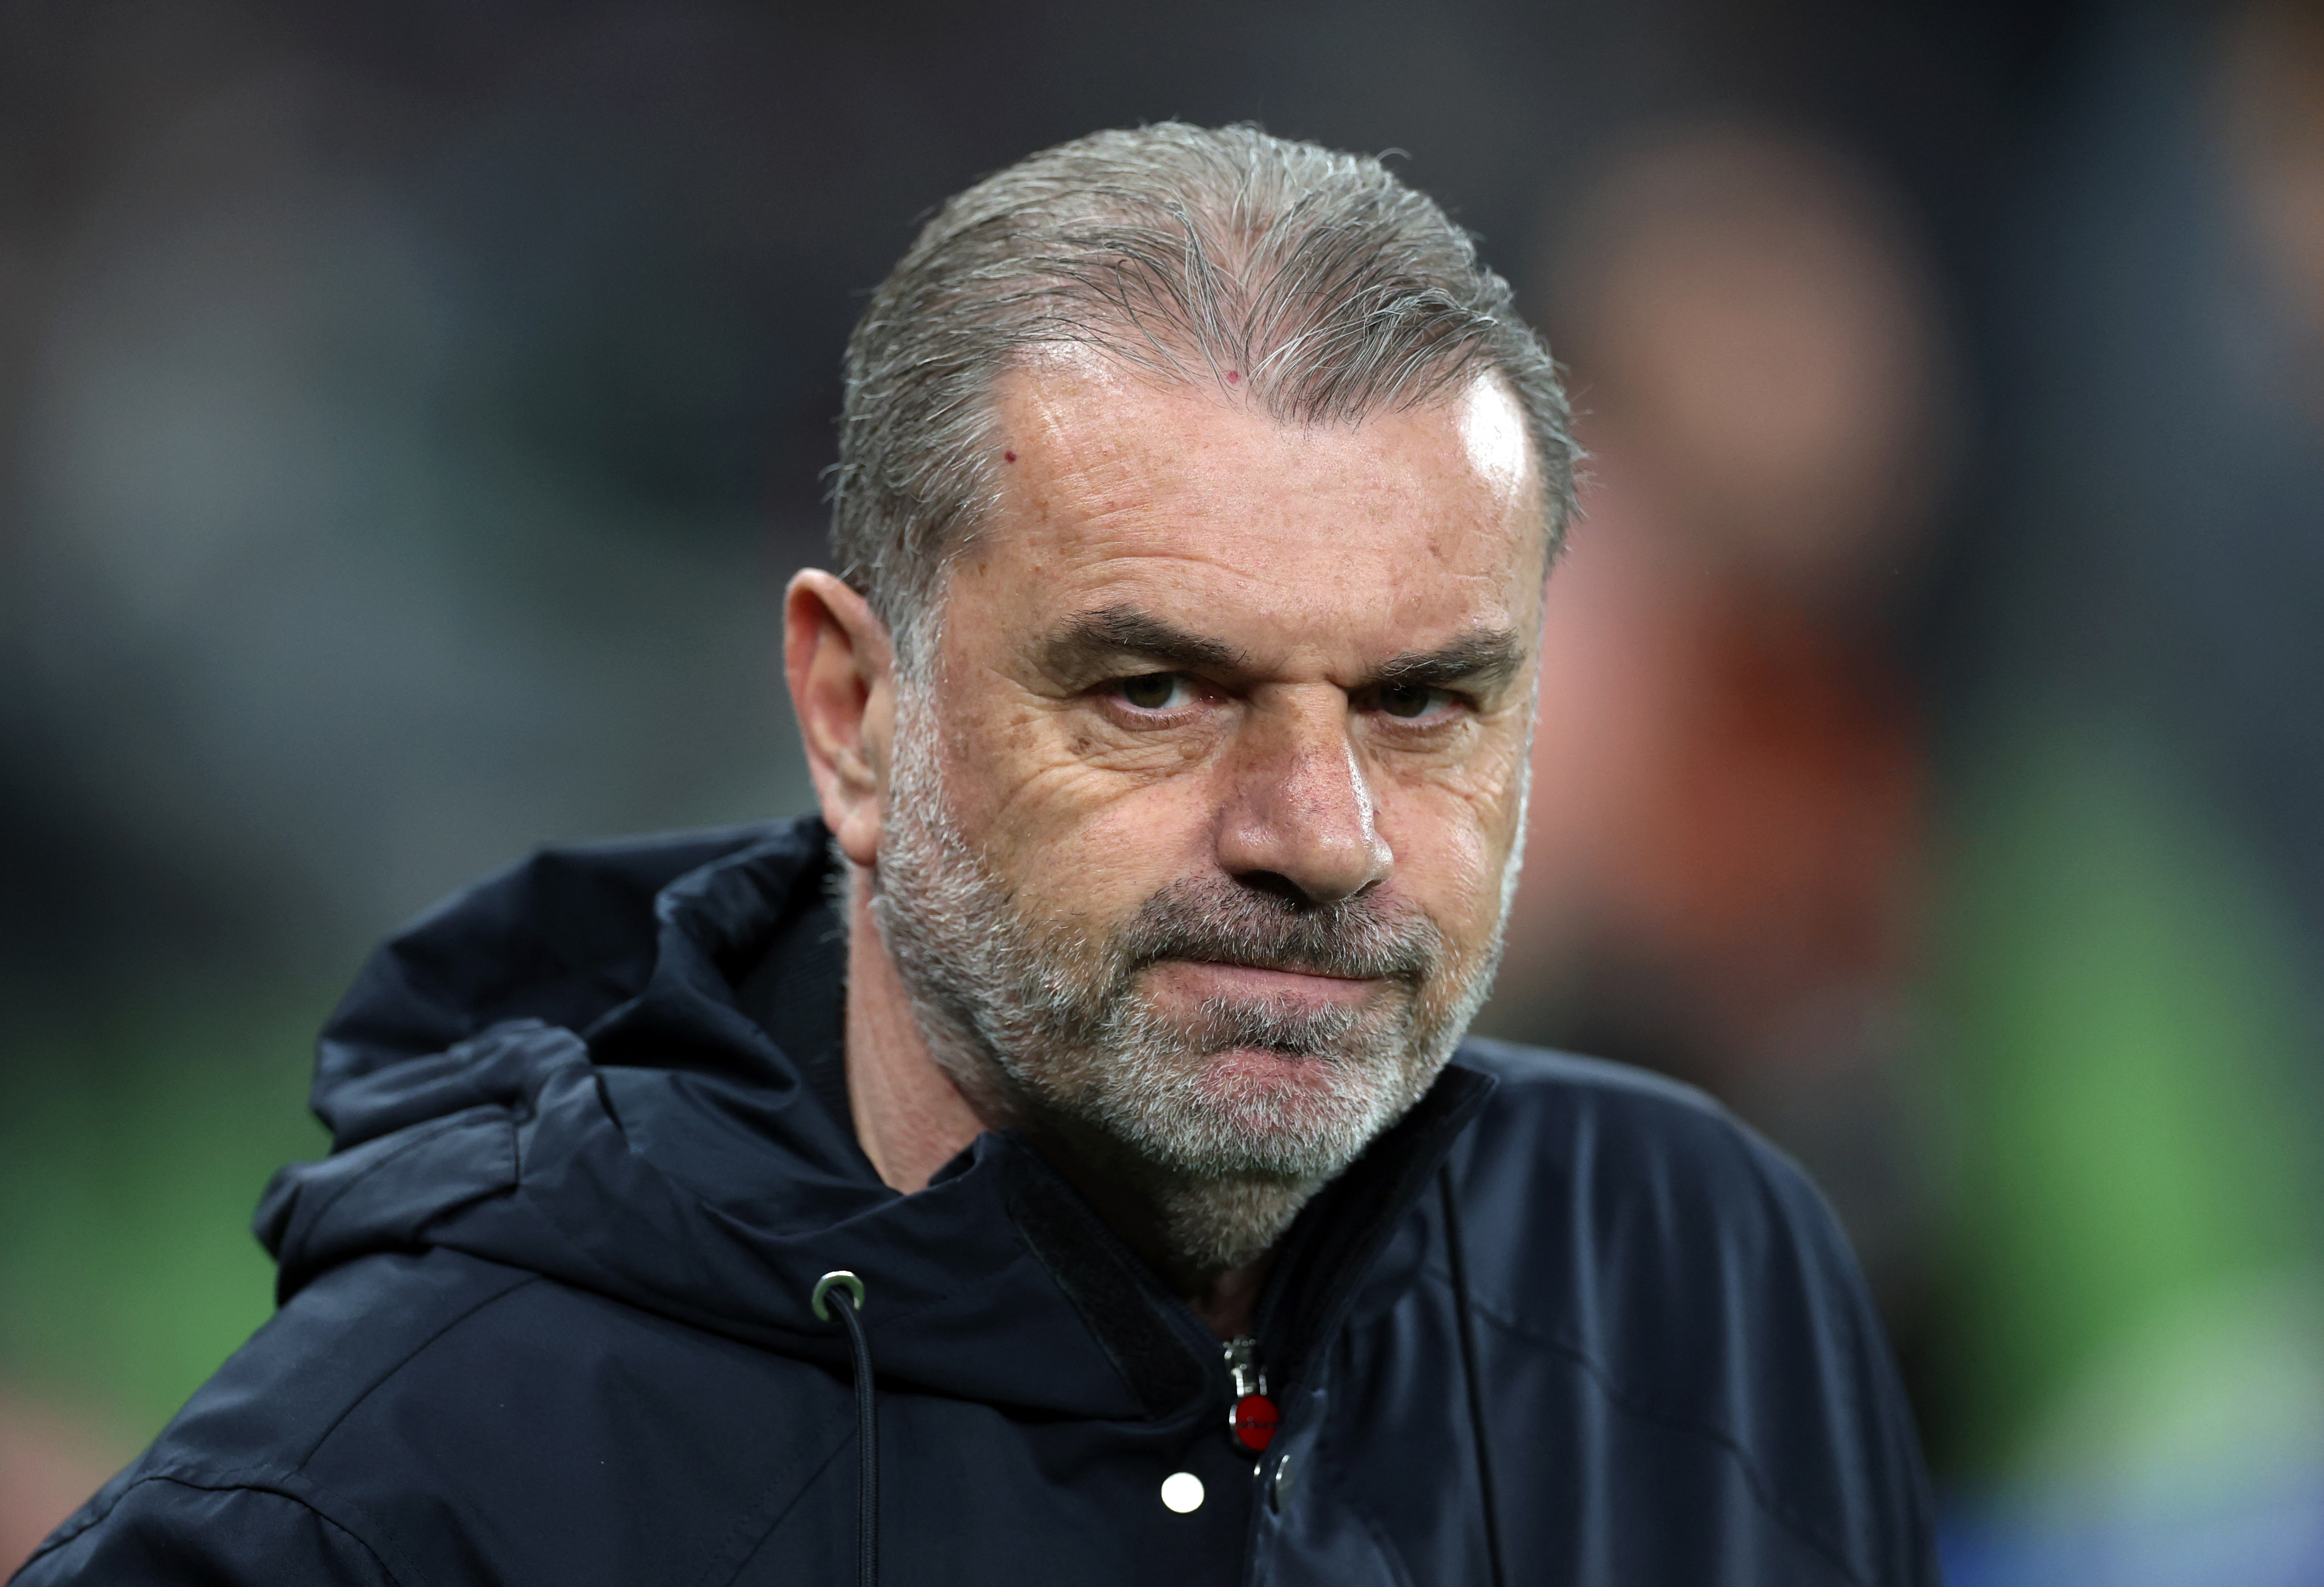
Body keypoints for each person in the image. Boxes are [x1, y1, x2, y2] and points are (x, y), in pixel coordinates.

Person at [12, 124, 1938, 1586]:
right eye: (1156, 691)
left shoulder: (1693, 1262)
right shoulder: (370, 1504)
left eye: (1424, 702)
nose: (1318, 835)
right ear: (854, 712)